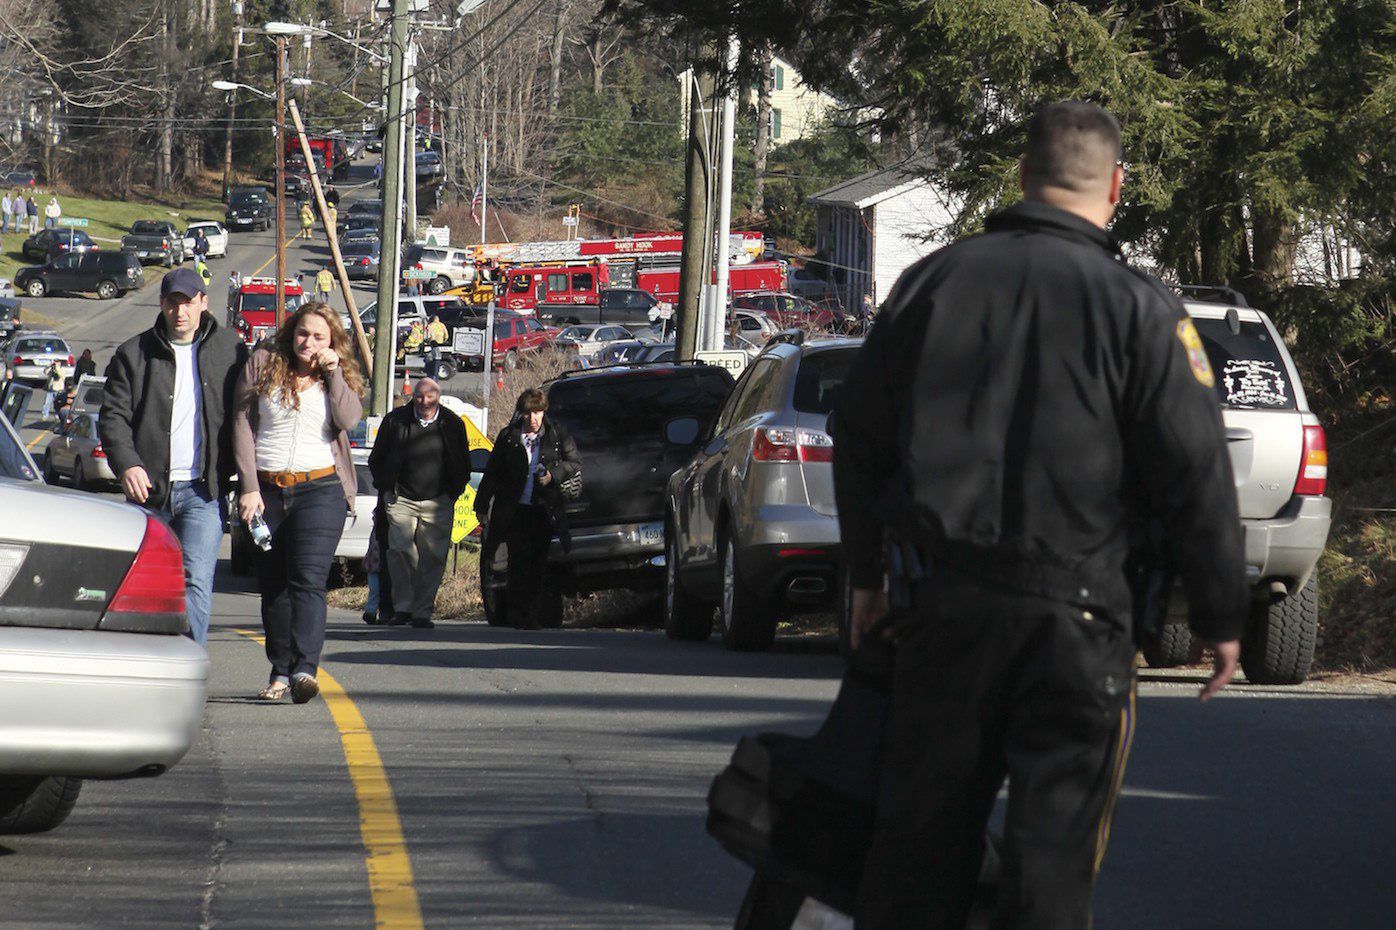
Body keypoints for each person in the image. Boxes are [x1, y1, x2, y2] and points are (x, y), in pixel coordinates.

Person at [833, 100, 1248, 929]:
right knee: (1052, 864)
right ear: (1117, 188)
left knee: (917, 854)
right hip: (1080, 622)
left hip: (943, 610)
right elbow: (1195, 468)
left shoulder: (932, 284)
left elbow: (860, 435)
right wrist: (1220, 612)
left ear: (1023, 177)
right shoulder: (1142, 310)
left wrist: (867, 576)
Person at [100, 267, 249, 646]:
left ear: (203, 303)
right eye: (172, 303)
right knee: (144, 583)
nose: (179, 312)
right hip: (149, 493)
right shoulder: (133, 354)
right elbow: (113, 417)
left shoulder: (230, 350)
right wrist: (127, 463)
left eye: (187, 303)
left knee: (195, 580)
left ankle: (190, 663)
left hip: (204, 492)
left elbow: (247, 413)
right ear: (162, 305)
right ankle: (144, 663)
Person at [232, 302, 365, 704]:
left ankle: (305, 669)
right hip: (267, 491)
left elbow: (348, 420)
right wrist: (248, 487)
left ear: (332, 342)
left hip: (320, 490)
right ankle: (280, 668)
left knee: (308, 580)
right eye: (303, 333)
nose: (309, 342)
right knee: (273, 586)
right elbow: (240, 423)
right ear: (292, 332)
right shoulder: (262, 363)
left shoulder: (335, 375)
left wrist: (334, 372)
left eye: (319, 337)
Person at [368, 377, 472, 628]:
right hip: (401, 498)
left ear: (438, 397)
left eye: (430, 397)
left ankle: (422, 612)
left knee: (432, 557)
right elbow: (377, 459)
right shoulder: (395, 421)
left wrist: (452, 492)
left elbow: (463, 463)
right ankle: (403, 608)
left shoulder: (452, 424)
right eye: (419, 397)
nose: (424, 402)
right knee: (401, 552)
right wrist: (386, 489)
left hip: (438, 500)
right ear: (413, 397)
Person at [474, 388, 581, 629]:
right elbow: (492, 473)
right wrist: (481, 505)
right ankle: (518, 612)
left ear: (544, 412)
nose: (533, 418)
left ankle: (530, 612)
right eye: (529, 413)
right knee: (517, 563)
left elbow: (574, 462)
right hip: (515, 510)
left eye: (538, 412)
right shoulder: (509, 437)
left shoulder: (556, 434)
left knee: (537, 563)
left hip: (544, 509)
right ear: (521, 414)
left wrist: (553, 475)